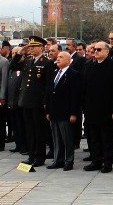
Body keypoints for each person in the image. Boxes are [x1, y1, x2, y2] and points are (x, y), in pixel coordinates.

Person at [81, 41, 113, 173]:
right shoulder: (89, 66)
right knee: (93, 137)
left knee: (107, 138)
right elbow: (84, 88)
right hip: (91, 108)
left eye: (98, 50)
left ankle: (107, 163)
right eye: (94, 50)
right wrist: (83, 106)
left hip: (107, 109)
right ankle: (96, 160)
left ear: (106, 52)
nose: (95, 52)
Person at [45, 51, 81, 170]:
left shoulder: (73, 74)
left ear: (68, 60)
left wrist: (73, 113)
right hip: (54, 112)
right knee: (56, 138)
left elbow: (75, 96)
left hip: (66, 113)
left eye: (61, 57)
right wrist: (48, 111)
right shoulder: (55, 72)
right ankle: (58, 160)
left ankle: (69, 161)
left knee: (67, 139)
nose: (58, 59)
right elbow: (50, 93)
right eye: (58, 57)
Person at [20, 37, 53, 166]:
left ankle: (40, 157)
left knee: (39, 131)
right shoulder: (28, 60)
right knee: (29, 130)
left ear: (41, 48)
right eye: (30, 46)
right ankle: (31, 155)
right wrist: (20, 52)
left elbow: (48, 85)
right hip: (26, 100)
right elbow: (13, 65)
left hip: (38, 102)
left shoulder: (46, 62)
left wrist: (46, 102)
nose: (31, 48)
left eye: (34, 46)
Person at [5, 45, 28, 154]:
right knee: (15, 125)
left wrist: (21, 53)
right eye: (13, 53)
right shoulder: (14, 66)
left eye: (17, 53)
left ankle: (24, 146)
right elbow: (12, 65)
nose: (14, 56)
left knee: (22, 126)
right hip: (12, 101)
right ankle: (18, 144)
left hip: (21, 101)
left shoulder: (26, 64)